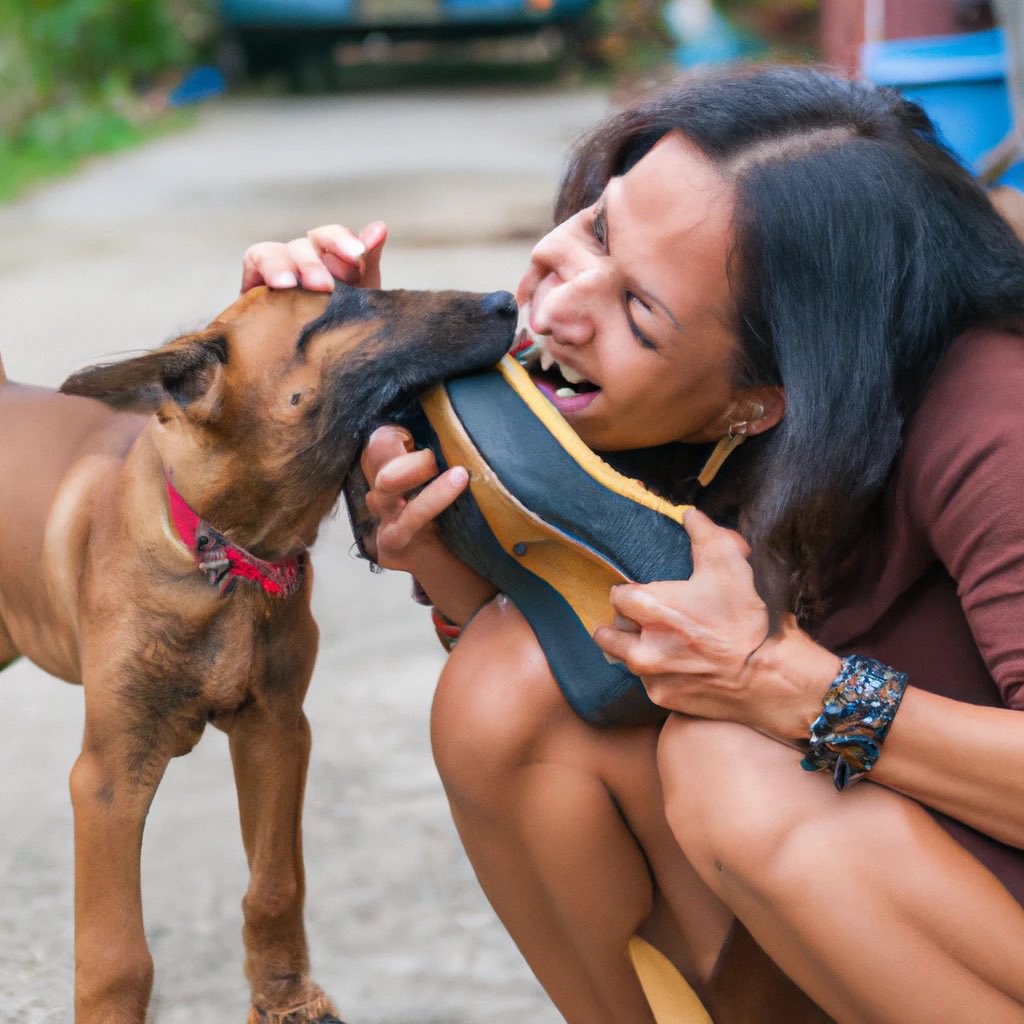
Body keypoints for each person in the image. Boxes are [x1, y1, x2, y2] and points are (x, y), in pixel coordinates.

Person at [241, 64, 1024, 1024]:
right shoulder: (687, 415)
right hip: (891, 908)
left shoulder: (998, 420)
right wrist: (375, 379)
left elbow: (760, 704)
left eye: (638, 313)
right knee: (509, 692)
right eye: (598, 229)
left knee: (729, 767)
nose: (556, 303)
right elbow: (580, 679)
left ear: (760, 401)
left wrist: (791, 686)